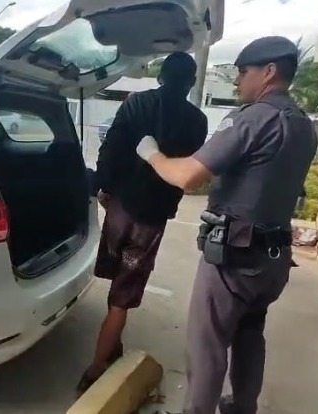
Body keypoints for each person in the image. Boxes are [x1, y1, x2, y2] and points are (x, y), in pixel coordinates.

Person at [136, 36, 317, 414]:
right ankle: (242, 407)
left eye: (242, 71)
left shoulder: (252, 118)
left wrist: (152, 155)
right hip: (273, 259)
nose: (237, 80)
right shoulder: (303, 125)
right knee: (250, 335)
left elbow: (188, 176)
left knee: (208, 345)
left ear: (269, 72)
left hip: (235, 257)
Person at [77, 52, 209, 393]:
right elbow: (189, 171)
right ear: (191, 82)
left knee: (116, 279)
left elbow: (111, 148)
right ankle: (96, 368)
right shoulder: (197, 121)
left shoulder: (136, 103)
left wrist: (105, 188)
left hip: (121, 207)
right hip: (151, 218)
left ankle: (110, 346)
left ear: (161, 76)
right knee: (123, 295)